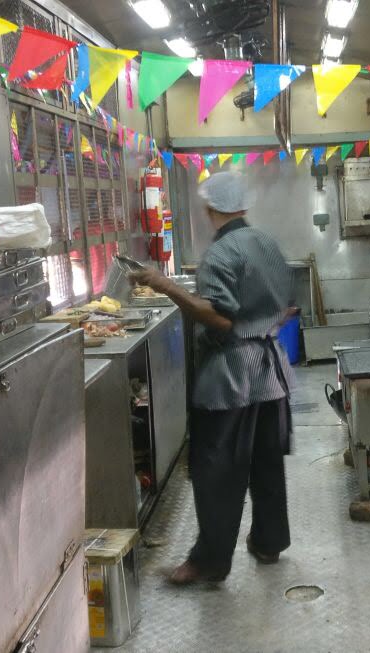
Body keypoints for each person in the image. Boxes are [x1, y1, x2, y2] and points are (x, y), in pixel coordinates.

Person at [129, 171, 295, 585]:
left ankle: (209, 562)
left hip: (230, 377)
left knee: (216, 470)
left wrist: (165, 285)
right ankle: (269, 542)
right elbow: (287, 305)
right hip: (270, 371)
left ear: (210, 208)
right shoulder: (266, 243)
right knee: (266, 462)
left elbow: (220, 318)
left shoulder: (221, 253)